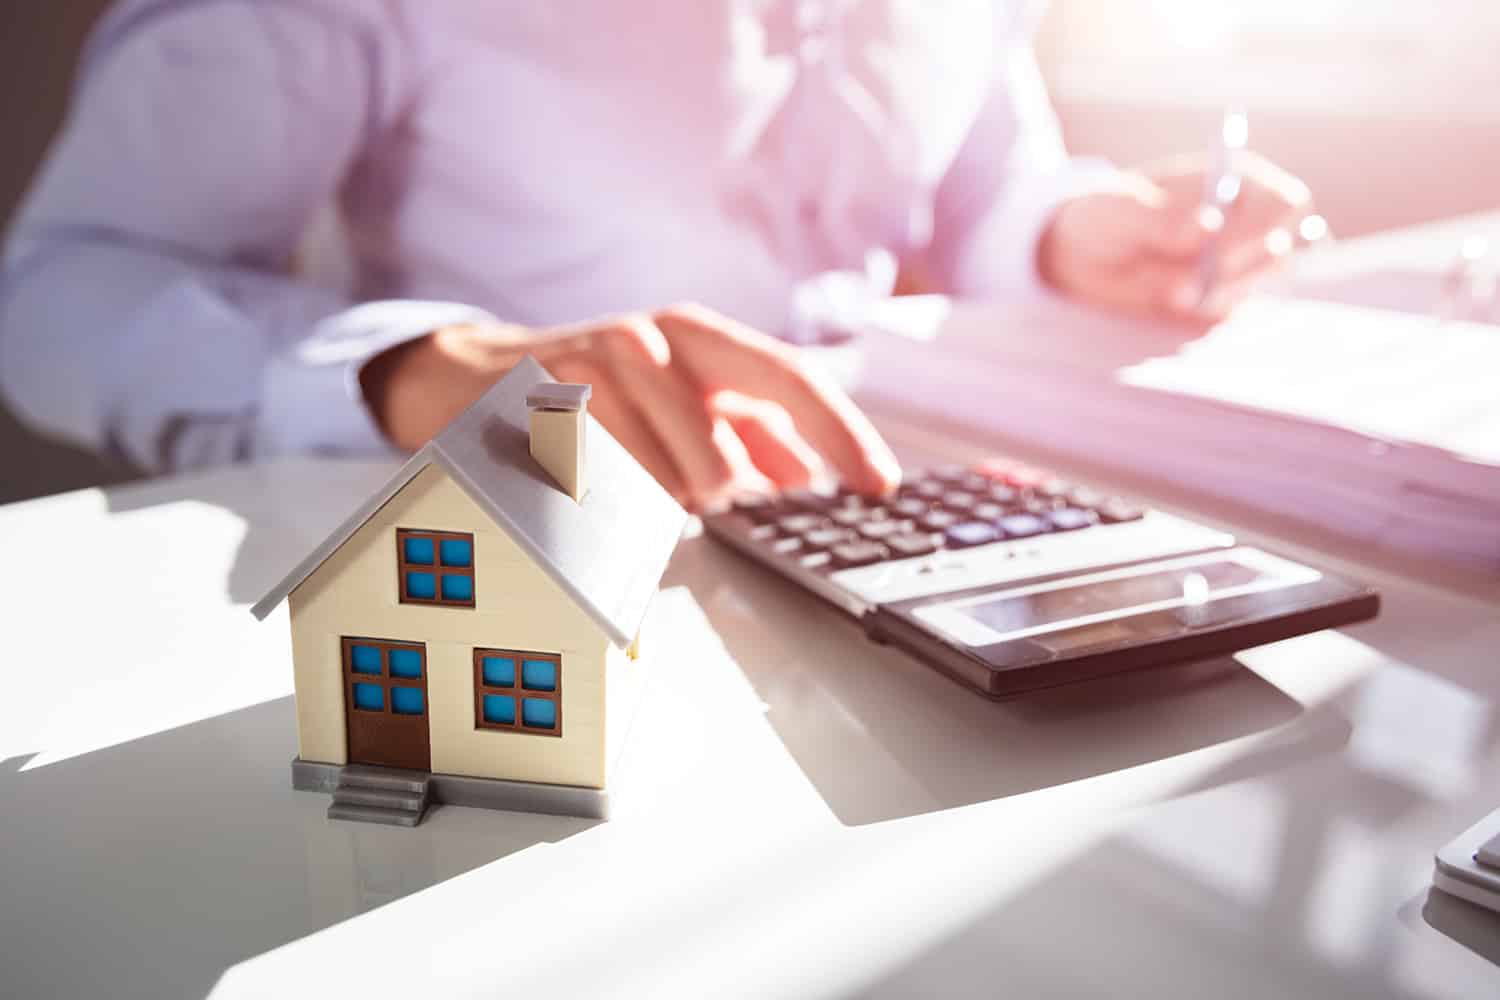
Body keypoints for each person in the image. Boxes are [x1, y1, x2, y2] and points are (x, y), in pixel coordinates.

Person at [0, 0, 1312, 509]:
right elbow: (63, 290)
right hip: (540, 522)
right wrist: (414, 365)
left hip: (908, 506)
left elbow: (978, 190)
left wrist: (1076, 235)